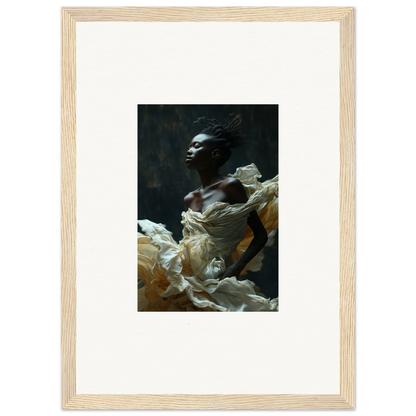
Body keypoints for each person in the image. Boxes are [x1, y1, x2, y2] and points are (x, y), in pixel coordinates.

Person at [138, 114, 279, 311]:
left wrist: (236, 267)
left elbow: (261, 235)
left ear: (215, 154)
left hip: (221, 276)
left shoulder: (230, 186)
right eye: (189, 146)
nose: (189, 150)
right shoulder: (190, 198)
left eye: (196, 146)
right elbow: (192, 242)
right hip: (189, 278)